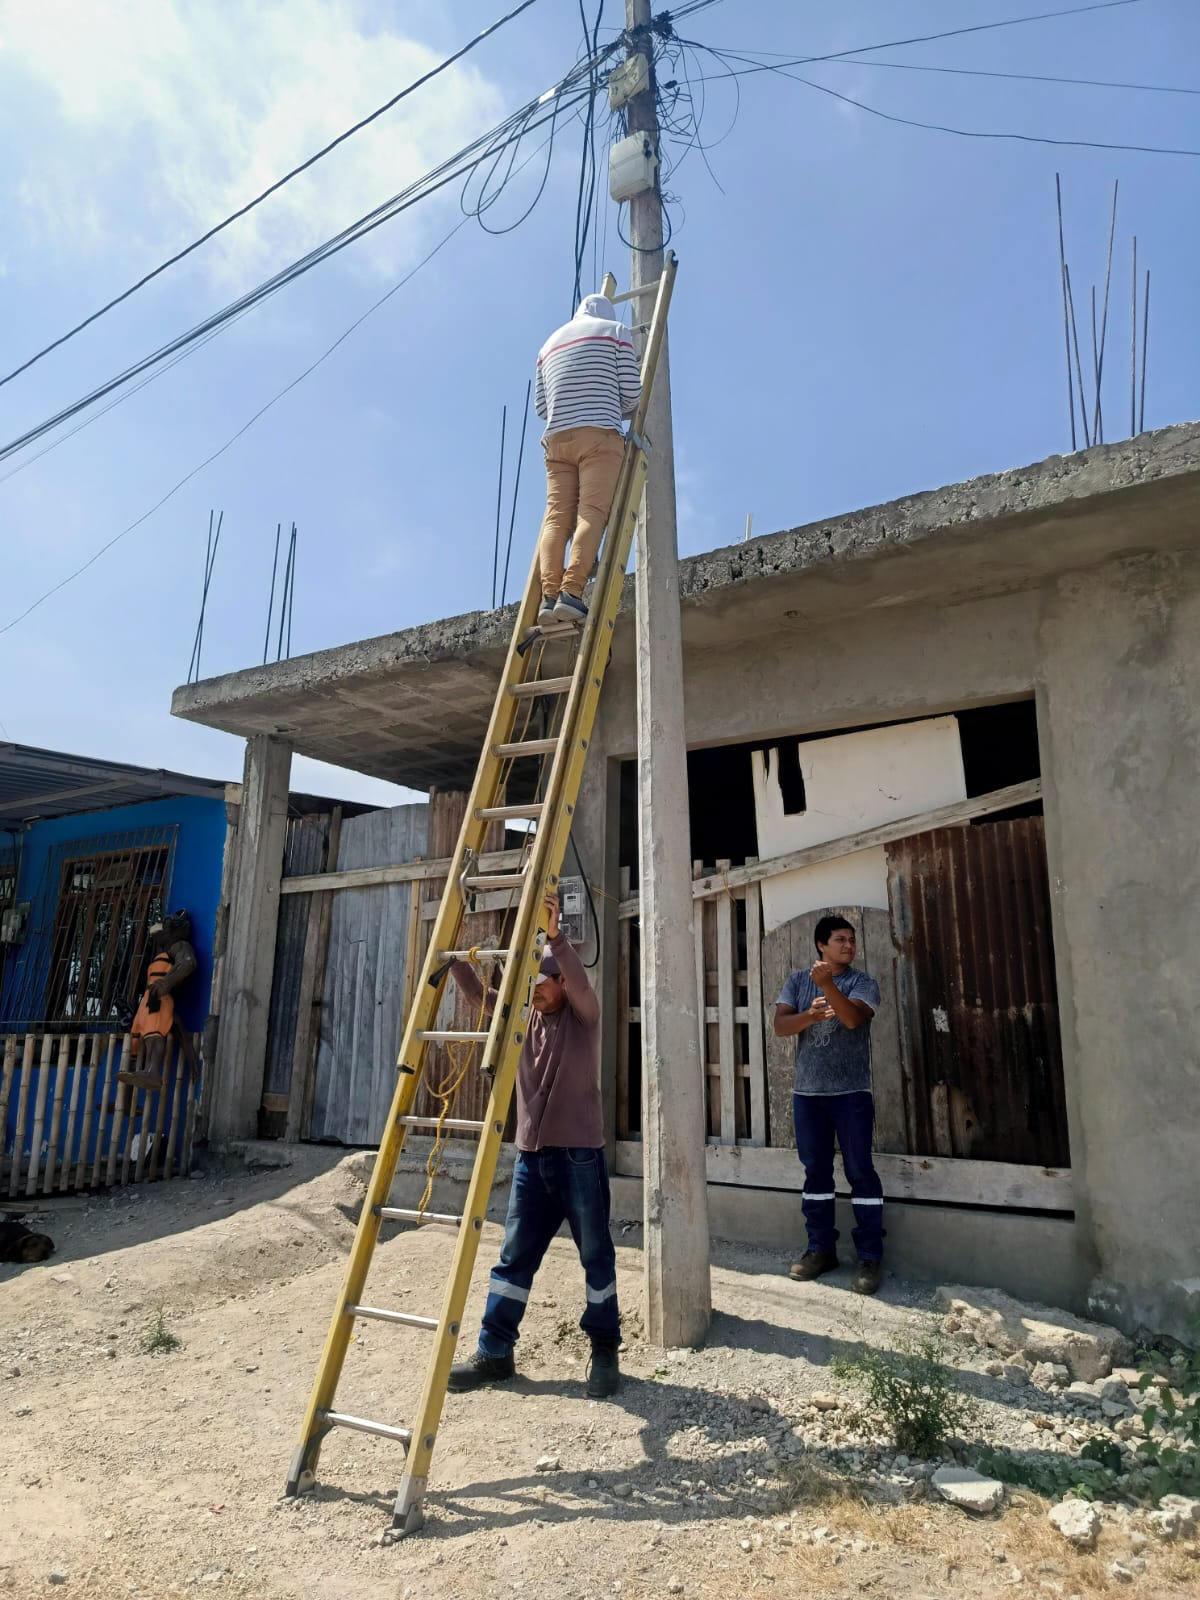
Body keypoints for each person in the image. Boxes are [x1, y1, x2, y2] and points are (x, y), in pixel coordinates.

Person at [446, 895, 621, 1399]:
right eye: (531, 986)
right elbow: (483, 998)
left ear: (561, 982)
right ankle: (495, 1353)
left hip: (579, 1158)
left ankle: (604, 1352)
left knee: (596, 1257)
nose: (536, 993)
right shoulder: (524, 1017)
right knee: (513, 1258)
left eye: (543, 984)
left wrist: (556, 936)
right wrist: (454, 960)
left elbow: (582, 984)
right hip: (531, 1159)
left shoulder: (584, 1018)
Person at [773, 915, 885, 1295]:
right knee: (816, 1173)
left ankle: (869, 1257)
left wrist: (827, 987)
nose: (849, 945)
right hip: (808, 1095)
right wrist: (809, 1014)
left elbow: (852, 1019)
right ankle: (820, 1250)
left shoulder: (863, 982)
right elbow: (781, 1026)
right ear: (822, 945)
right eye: (840, 939)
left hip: (851, 1093)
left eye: (852, 940)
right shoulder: (796, 981)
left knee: (860, 1171)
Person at [532, 293, 642, 627]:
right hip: (598, 435)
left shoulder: (547, 346)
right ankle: (571, 592)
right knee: (591, 513)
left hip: (556, 442)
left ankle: (548, 597)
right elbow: (632, 395)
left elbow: (542, 408)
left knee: (556, 520)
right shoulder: (616, 331)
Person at [117, 912, 196, 1091]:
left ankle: (152, 1072)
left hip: (158, 997)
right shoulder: (165, 952)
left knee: (154, 1035)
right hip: (148, 999)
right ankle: (133, 1090)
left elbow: (188, 963)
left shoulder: (179, 946)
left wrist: (166, 983)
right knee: (139, 1041)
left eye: (165, 928)